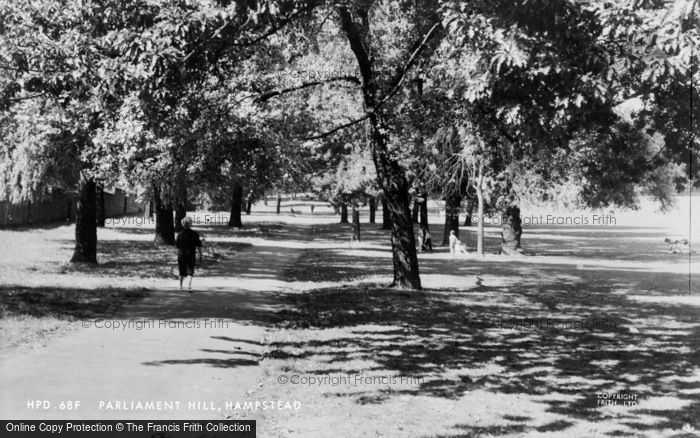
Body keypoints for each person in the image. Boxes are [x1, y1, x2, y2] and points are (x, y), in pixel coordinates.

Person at [176, 217, 202, 292]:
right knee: (190, 270)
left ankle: (180, 286)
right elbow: (199, 245)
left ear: (183, 224)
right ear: (190, 224)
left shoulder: (180, 234)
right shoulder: (194, 234)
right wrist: (200, 254)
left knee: (181, 269)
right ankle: (189, 287)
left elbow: (177, 245)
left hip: (181, 253)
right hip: (191, 253)